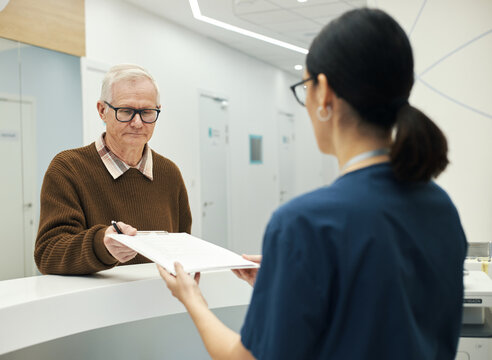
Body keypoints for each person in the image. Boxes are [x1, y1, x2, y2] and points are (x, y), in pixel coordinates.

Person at [158, 8, 467, 360]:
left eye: (304, 87)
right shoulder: (440, 207)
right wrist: (289, 280)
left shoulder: (306, 222)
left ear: (323, 93)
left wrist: (192, 299)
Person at [35, 64, 191, 275]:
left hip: (162, 303)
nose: (137, 123)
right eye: (126, 111)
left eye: (147, 112)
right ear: (102, 111)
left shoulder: (169, 174)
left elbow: (182, 251)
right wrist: (102, 245)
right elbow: (48, 254)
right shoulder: (68, 169)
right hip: (95, 306)